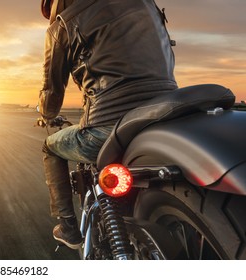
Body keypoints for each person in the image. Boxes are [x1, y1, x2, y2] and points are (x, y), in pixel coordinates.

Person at [38, 0, 178, 249]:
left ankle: (68, 227)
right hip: (167, 113)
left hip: (109, 124)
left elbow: (52, 95)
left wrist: (45, 115)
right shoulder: (148, 6)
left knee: (50, 147)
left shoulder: (62, 25)